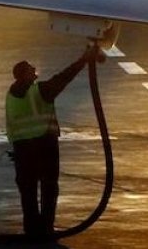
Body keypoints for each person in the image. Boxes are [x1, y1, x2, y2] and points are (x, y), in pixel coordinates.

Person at [5, 47, 95, 238]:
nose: (35, 70)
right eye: (31, 69)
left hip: (22, 150)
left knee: (28, 192)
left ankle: (31, 230)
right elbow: (64, 78)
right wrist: (84, 60)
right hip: (44, 146)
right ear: (25, 74)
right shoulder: (40, 90)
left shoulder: (11, 94)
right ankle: (46, 229)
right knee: (49, 188)